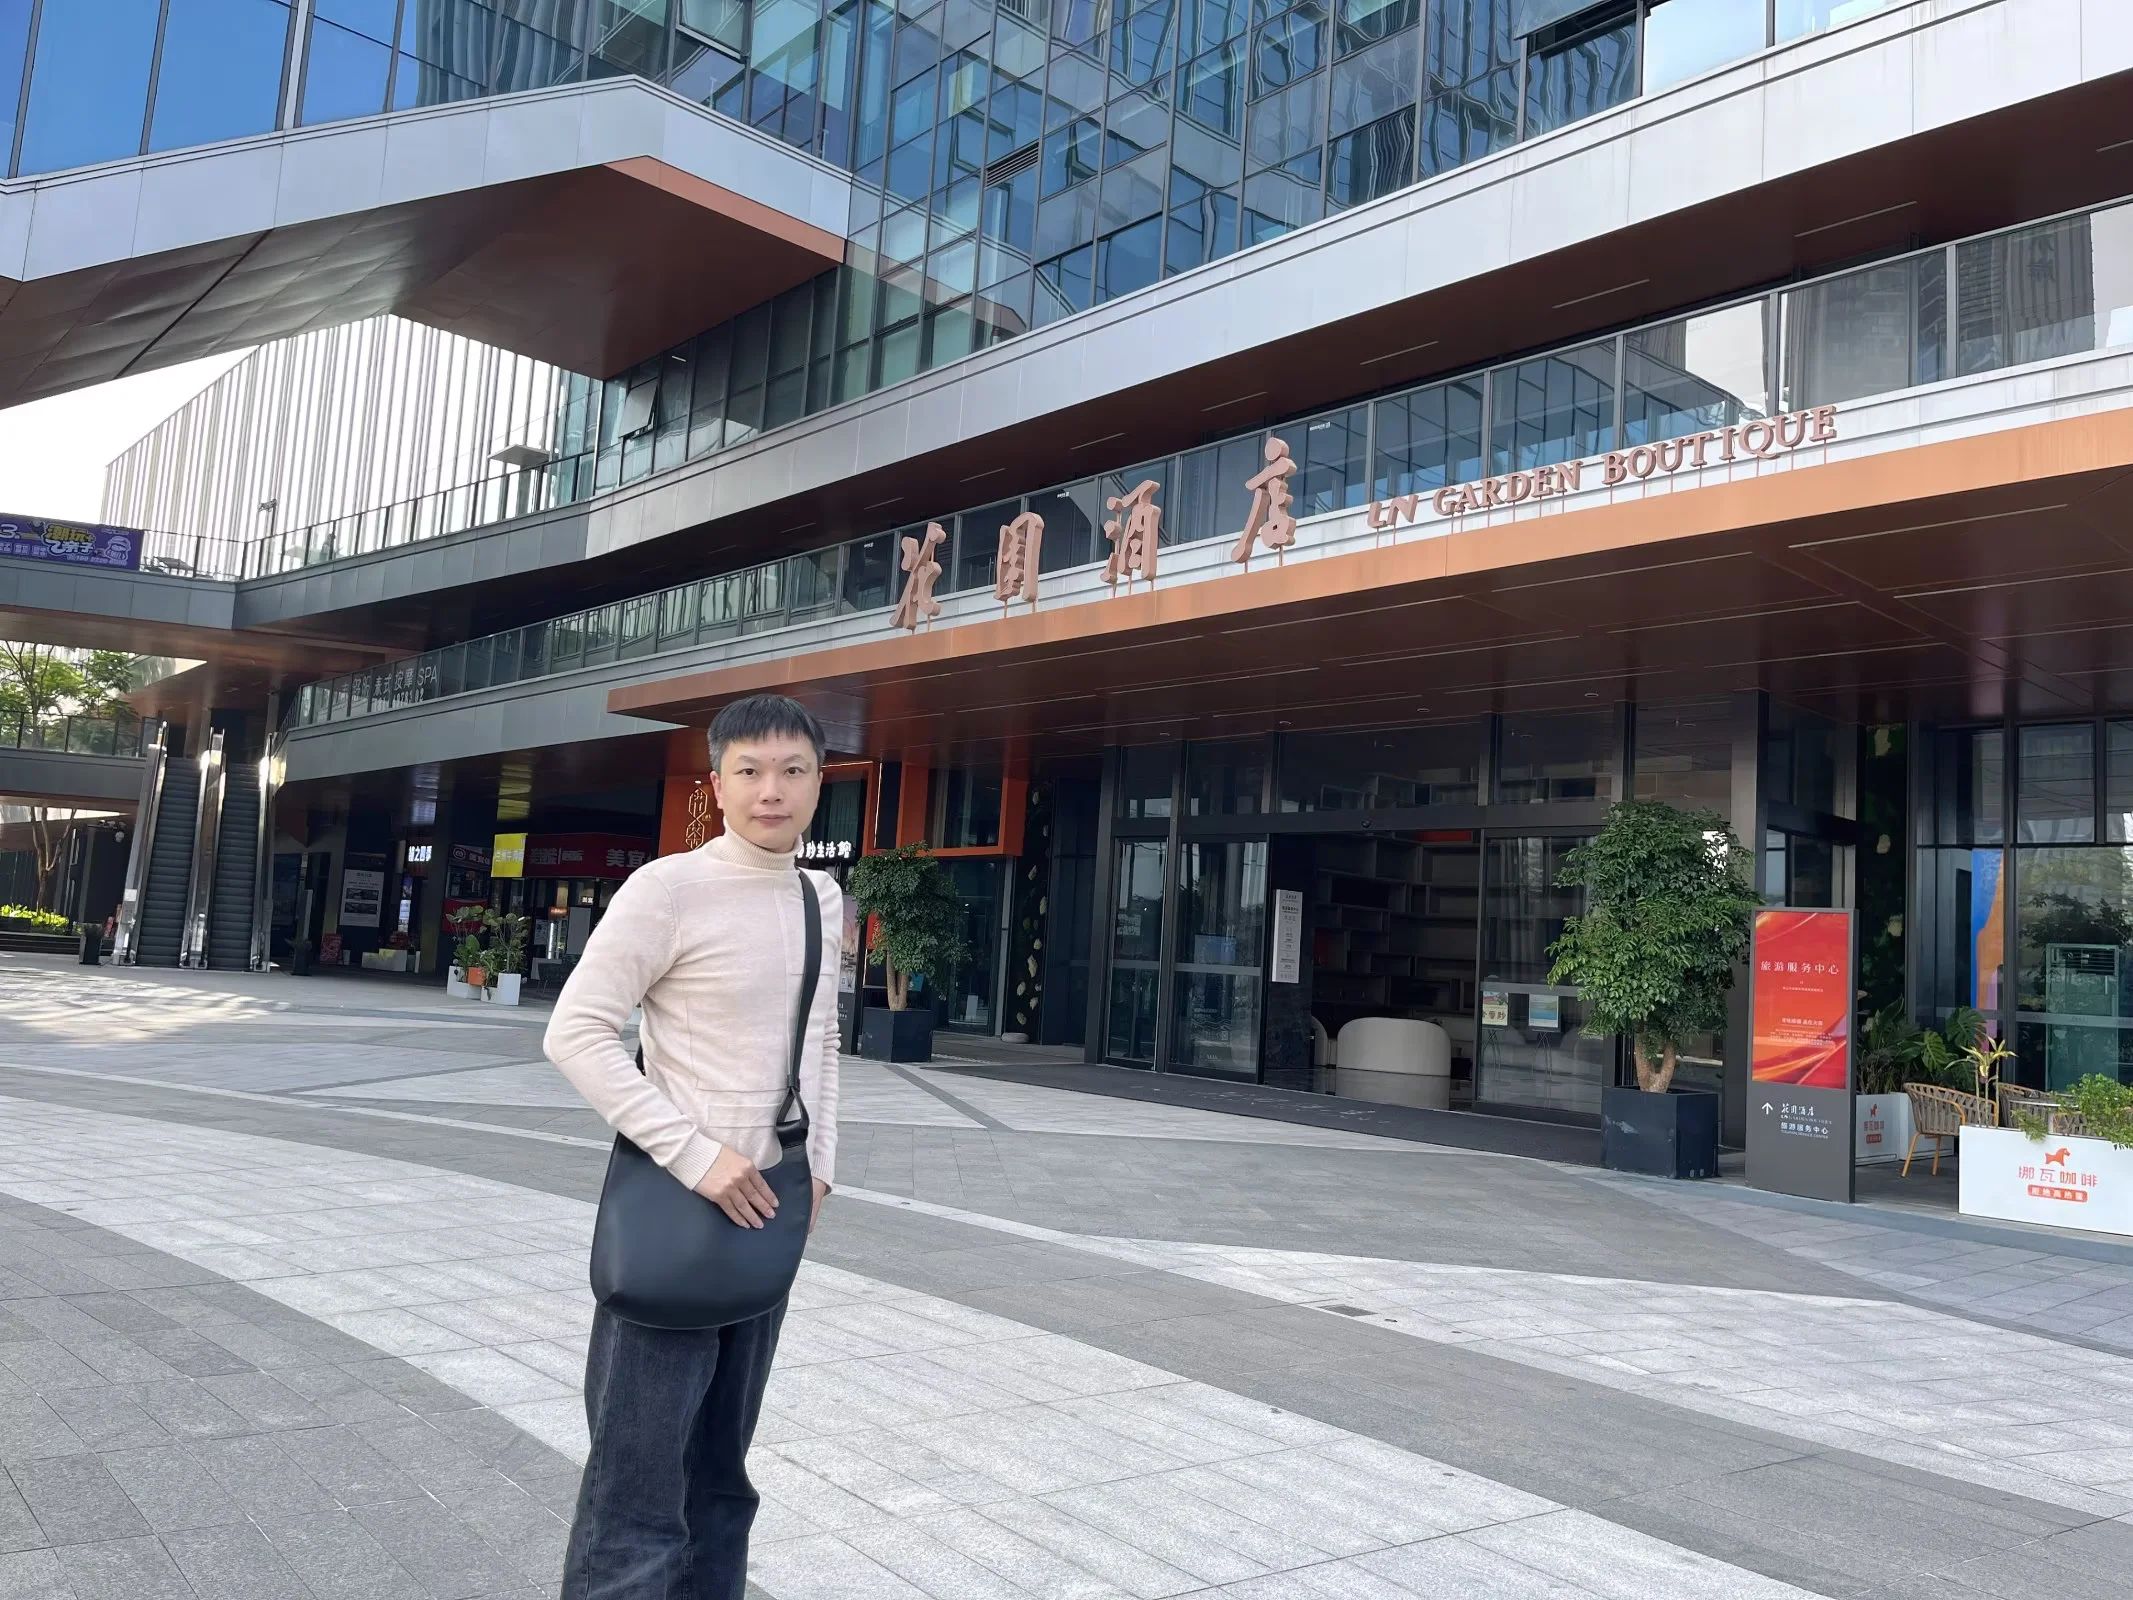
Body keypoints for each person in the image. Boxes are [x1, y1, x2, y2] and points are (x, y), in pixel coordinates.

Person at [544, 693, 842, 1600]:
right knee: (637, 1489)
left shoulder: (820, 896)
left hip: (770, 1208)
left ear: (819, 783)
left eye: (791, 771)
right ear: (716, 783)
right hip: (675, 1211)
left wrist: (821, 1166)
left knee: (721, 1478)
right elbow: (575, 1032)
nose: (770, 791)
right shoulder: (667, 889)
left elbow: (822, 1039)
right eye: (749, 771)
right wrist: (696, 1155)